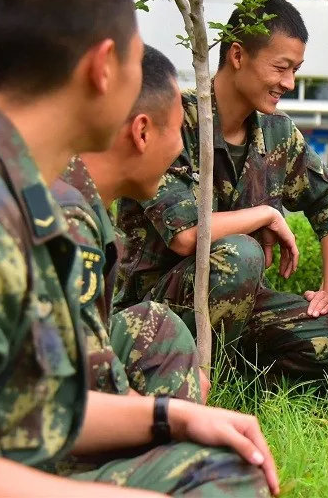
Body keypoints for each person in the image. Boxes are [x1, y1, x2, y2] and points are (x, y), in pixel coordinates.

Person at [0, 0, 278, 496]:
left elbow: (34, 409)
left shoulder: (20, 190)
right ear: (104, 68)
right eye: (139, 58)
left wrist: (172, 416)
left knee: (218, 462)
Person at [116, 0, 328, 377]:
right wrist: (266, 213)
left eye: (296, 70)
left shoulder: (279, 135)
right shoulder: (174, 121)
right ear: (238, 55)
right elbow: (186, 235)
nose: (289, 83)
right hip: (155, 309)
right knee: (239, 255)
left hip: (241, 305)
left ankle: (240, 368)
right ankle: (187, 374)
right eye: (281, 68)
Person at [51, 45, 212, 405]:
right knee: (222, 460)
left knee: (155, 324)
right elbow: (59, 404)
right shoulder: (67, 222)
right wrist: (164, 415)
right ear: (142, 132)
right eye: (177, 132)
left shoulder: (71, 191)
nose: (179, 149)